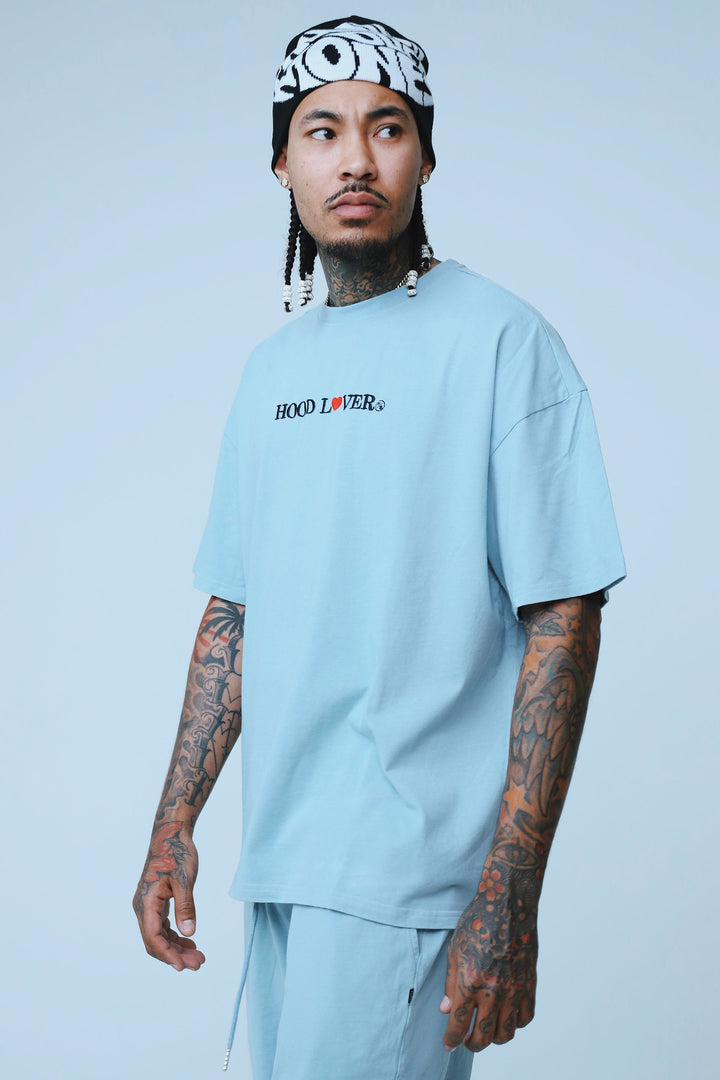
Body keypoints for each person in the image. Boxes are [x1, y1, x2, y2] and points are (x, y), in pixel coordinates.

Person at [133, 15, 626, 1080]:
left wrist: (509, 892)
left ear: (426, 156)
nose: (355, 158)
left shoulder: (501, 340)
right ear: (282, 163)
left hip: (410, 877)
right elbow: (236, 613)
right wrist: (174, 825)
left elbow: (564, 613)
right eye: (322, 130)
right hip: (283, 863)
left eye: (387, 127)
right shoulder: (272, 370)